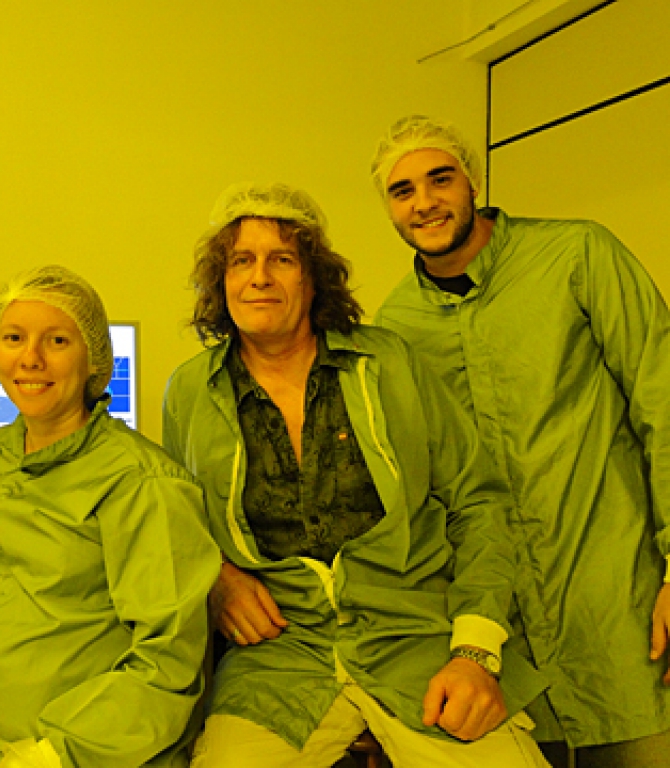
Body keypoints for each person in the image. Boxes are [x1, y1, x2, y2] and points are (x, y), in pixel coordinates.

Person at [161, 182, 550, 768]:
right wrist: (216, 576)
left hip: (416, 644)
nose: (259, 277)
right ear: (221, 280)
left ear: (314, 277)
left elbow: (479, 501)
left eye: (281, 260)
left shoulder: (389, 363)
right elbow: (176, 519)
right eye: (241, 260)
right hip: (277, 662)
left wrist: (475, 652)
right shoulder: (190, 391)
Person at [373, 115, 670, 767]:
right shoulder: (396, 325)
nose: (424, 202)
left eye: (440, 179)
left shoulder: (578, 256)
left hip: (624, 611)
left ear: (471, 180)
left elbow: (663, 400)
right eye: (402, 190)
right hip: (506, 647)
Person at [0, 265, 220, 768]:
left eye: (55, 340)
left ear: (93, 357)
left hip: (80, 751)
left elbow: (167, 666)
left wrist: (50, 755)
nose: (30, 358)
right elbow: (13, 538)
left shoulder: (142, 483)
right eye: (13, 337)